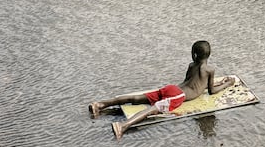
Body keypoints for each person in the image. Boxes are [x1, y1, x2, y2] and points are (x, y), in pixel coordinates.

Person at [89, 41, 235, 139]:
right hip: (179, 96)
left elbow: (189, 81)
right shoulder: (210, 70)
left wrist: (220, 82)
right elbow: (211, 91)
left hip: (172, 88)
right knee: (153, 110)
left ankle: (100, 105)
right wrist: (227, 84)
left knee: (138, 98)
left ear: (194, 54)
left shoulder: (191, 65)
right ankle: (122, 126)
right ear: (209, 55)